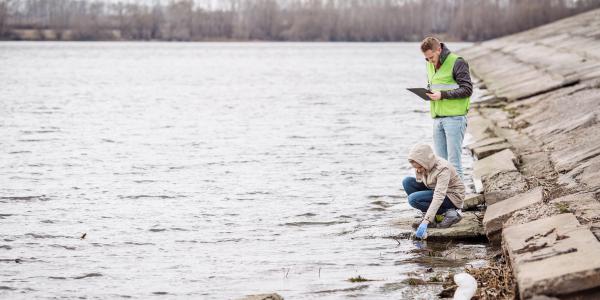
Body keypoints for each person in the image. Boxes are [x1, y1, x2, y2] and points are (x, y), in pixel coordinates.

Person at [421, 37, 472, 180]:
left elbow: (467, 89)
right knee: (441, 165)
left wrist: (442, 95)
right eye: (427, 58)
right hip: (438, 119)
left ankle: (459, 201)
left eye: (431, 57)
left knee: (454, 164)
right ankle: (446, 200)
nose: (430, 60)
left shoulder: (457, 62)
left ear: (439, 49)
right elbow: (436, 85)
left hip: (455, 119)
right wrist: (429, 92)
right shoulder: (429, 64)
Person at [402, 144, 465, 239]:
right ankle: (434, 217)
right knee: (407, 182)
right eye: (416, 168)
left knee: (413, 199)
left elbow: (439, 196)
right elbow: (423, 182)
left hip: (452, 197)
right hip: (436, 189)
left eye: (419, 167)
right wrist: (420, 172)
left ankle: (451, 214)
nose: (418, 170)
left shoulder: (443, 168)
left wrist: (425, 221)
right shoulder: (424, 165)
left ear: (425, 161)